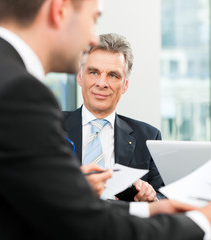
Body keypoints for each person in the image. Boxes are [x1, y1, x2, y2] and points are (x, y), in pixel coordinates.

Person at [0, 0, 211, 239]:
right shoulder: (18, 91)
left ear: (124, 84)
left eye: (113, 75)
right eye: (93, 19)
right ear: (59, 10)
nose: (91, 38)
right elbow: (81, 224)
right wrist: (201, 224)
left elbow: (28, 200)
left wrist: (148, 208)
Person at [64, 33, 165, 202]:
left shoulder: (148, 137)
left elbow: (165, 198)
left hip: (123, 224)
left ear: (125, 84)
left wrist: (152, 197)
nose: (102, 83)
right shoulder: (51, 127)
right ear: (80, 77)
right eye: (94, 72)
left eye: (113, 75)